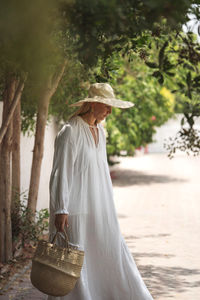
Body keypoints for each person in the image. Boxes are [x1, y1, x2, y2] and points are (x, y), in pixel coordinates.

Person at [48, 83, 154, 300]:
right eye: (107, 105)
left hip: (100, 207)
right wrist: (61, 208)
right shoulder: (70, 131)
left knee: (109, 255)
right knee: (75, 263)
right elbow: (61, 171)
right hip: (75, 212)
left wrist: (108, 204)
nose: (110, 111)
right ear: (93, 104)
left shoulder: (100, 132)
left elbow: (102, 173)